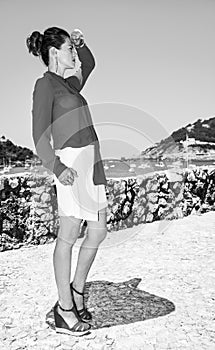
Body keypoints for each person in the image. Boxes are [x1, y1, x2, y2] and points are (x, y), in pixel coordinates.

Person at [26, 27, 108, 336]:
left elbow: (90, 64)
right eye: (70, 49)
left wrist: (83, 45)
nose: (74, 55)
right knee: (70, 234)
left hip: (92, 162)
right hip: (71, 165)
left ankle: (77, 291)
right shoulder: (45, 85)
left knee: (98, 230)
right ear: (55, 52)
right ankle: (64, 309)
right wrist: (56, 167)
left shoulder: (71, 86)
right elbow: (38, 134)